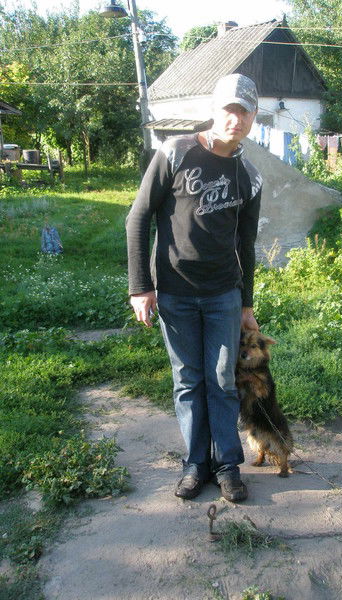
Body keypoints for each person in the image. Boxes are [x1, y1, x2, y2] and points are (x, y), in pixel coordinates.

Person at [126, 73, 262, 502]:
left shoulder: (249, 175)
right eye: (228, 110)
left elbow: (246, 244)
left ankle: (227, 466)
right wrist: (140, 287)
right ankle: (195, 464)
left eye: (244, 112)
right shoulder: (175, 152)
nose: (235, 119)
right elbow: (138, 217)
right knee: (188, 379)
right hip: (175, 290)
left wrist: (246, 304)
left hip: (223, 294)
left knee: (222, 381)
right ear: (213, 110)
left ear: (254, 117)